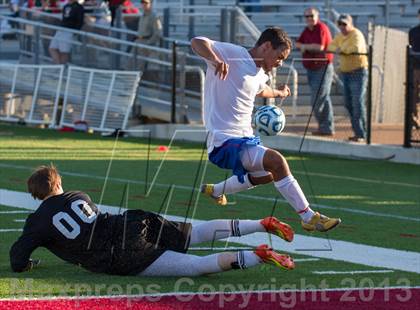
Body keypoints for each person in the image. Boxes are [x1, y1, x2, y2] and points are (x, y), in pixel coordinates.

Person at [10, 165, 296, 276]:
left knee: (195, 267)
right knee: (194, 233)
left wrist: (25, 264)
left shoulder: (37, 221)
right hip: (132, 222)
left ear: (35, 194)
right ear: (58, 182)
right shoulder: (79, 195)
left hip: (118, 254)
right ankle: (260, 224)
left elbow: (17, 257)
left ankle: (257, 255)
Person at [191, 27, 341, 233]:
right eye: (279, 57)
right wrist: (215, 60)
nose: (280, 63)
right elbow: (197, 40)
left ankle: (215, 190)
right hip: (223, 141)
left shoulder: (260, 72)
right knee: (277, 161)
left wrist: (279, 92)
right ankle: (308, 216)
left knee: (270, 174)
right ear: (266, 46)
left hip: (245, 138)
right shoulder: (234, 54)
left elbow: (261, 89)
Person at [327, 14, 368, 142]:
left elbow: (355, 48)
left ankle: (362, 133)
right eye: (340, 24)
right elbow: (330, 47)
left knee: (357, 103)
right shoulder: (340, 36)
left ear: (351, 24)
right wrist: (342, 50)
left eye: (344, 24)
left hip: (358, 72)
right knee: (349, 104)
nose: (342, 27)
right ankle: (358, 132)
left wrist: (341, 49)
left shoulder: (357, 34)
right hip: (345, 73)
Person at [296, 7, 335, 136]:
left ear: (317, 16)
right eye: (306, 16)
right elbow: (297, 44)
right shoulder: (307, 30)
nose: (309, 19)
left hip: (322, 68)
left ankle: (326, 127)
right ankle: (326, 127)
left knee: (318, 99)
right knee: (323, 98)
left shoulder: (321, 27)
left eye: (311, 16)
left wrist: (305, 47)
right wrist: (307, 47)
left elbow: (320, 47)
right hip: (311, 68)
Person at [48, 0, 84, 64]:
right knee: (52, 48)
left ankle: (63, 69)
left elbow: (80, 21)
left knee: (64, 52)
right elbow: (64, 18)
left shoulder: (79, 7)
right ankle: (59, 66)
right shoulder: (66, 6)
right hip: (61, 29)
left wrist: (75, 32)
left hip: (69, 31)